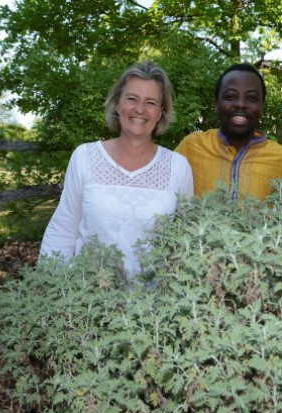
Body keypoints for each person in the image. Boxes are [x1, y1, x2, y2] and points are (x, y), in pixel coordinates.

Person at [39, 61, 194, 275]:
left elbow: (186, 239)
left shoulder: (178, 167)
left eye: (150, 102)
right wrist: (51, 287)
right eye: (132, 99)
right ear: (117, 104)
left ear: (160, 113)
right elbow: (63, 229)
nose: (140, 109)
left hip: (153, 304)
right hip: (88, 299)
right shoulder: (84, 157)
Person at [175, 63, 282, 200]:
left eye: (251, 98)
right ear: (216, 105)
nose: (241, 104)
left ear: (261, 107)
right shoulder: (191, 147)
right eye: (230, 96)